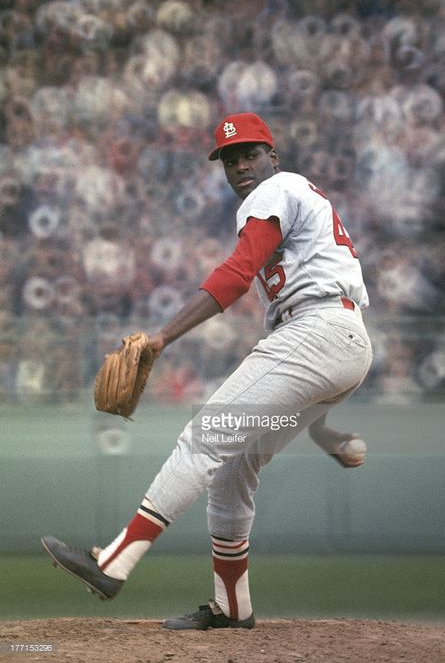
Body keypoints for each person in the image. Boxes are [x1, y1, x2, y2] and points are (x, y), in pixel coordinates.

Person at [42, 112, 373, 630]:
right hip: (341, 343)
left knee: (204, 437)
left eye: (250, 154)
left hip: (317, 332)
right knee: (232, 471)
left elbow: (239, 273)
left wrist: (161, 337)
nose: (240, 165)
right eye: (230, 159)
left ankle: (113, 562)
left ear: (273, 156)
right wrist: (325, 429)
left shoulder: (276, 190)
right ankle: (232, 605)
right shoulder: (298, 197)